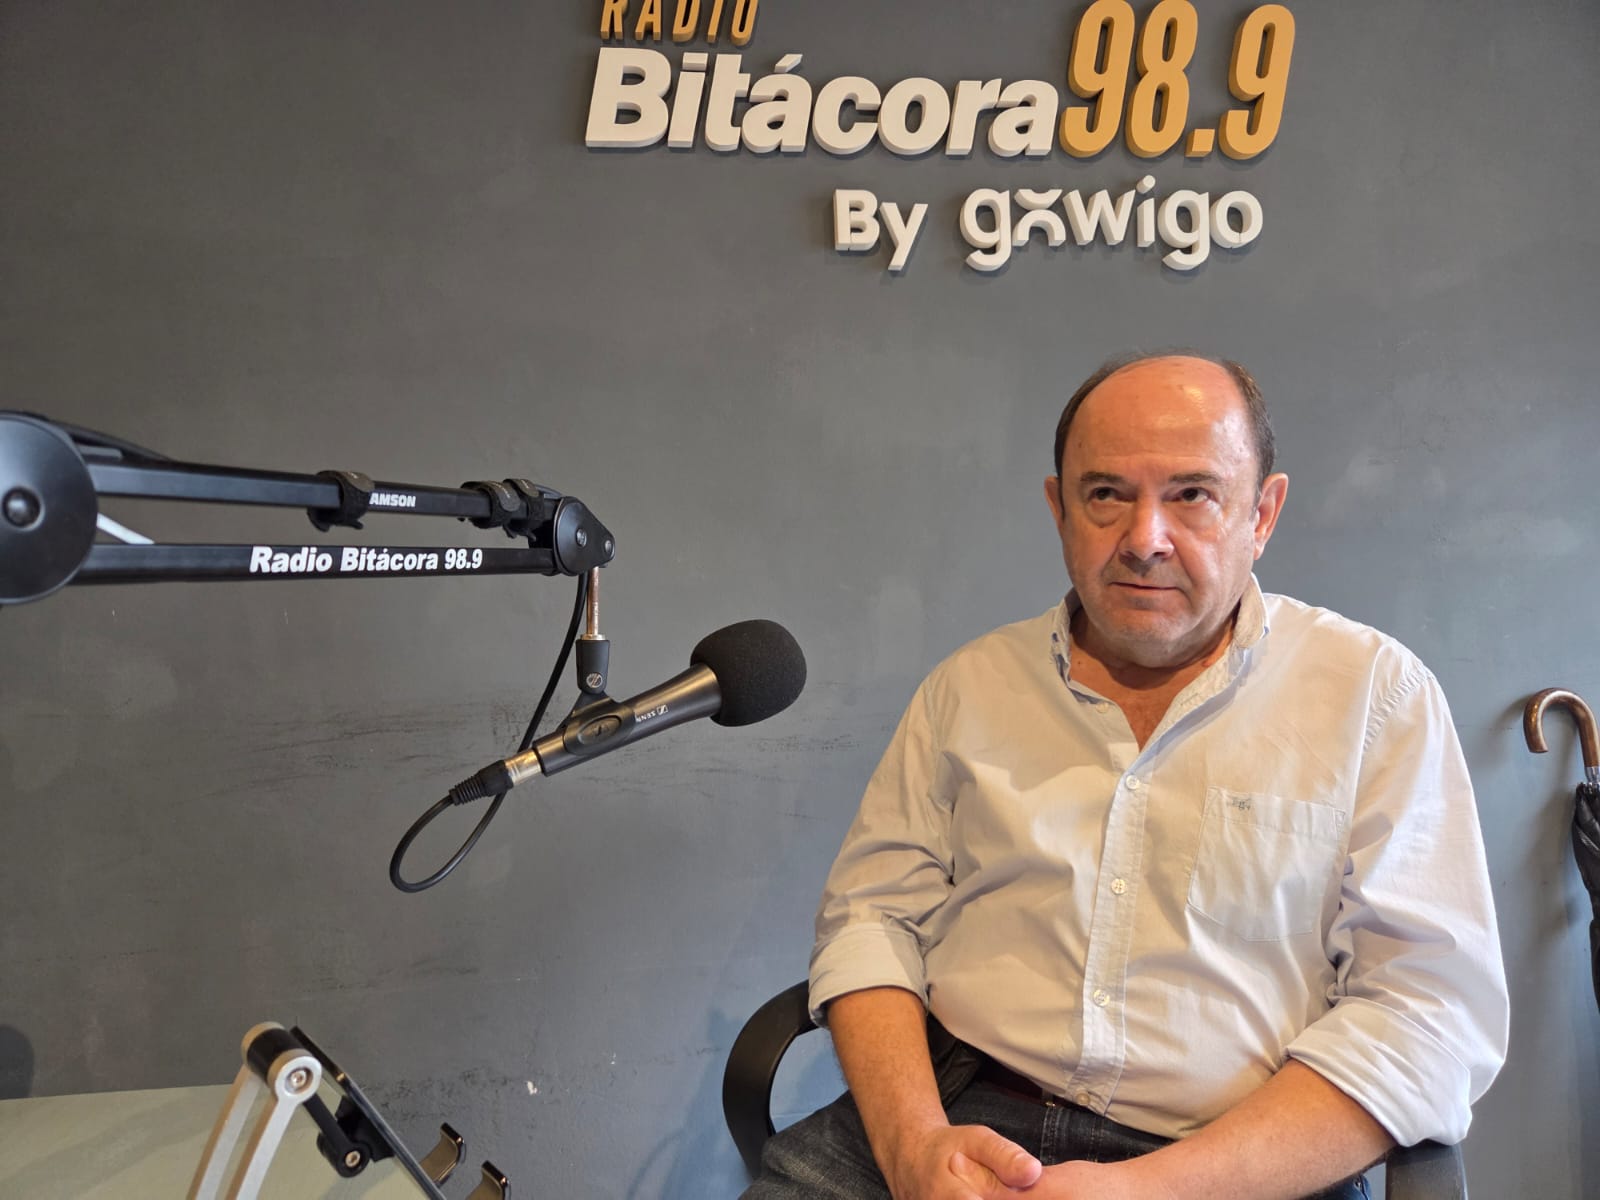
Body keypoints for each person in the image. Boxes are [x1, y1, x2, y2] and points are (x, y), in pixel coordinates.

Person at [744, 352, 1508, 1200]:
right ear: (1059, 510)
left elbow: (1426, 1016)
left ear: (1262, 513)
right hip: (961, 1114)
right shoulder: (969, 688)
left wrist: (1148, 1190)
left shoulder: (1374, 696)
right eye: (1106, 494)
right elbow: (872, 920)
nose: (1144, 540)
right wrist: (914, 1148)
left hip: (1236, 1154)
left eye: (1193, 495)